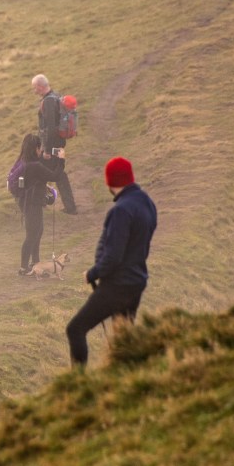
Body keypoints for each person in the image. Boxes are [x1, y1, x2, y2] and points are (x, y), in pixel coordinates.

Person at [66, 157, 157, 368]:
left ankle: (77, 384)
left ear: (110, 182)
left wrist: (92, 273)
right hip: (136, 281)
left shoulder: (121, 211)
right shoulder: (146, 202)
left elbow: (114, 256)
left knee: (76, 329)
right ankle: (127, 380)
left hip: (117, 284)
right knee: (122, 337)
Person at [15, 133, 67, 275]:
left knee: (37, 232)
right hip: (32, 204)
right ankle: (24, 267)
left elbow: (39, 175)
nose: (41, 150)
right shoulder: (35, 166)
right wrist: (61, 160)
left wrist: (44, 158)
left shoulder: (26, 163)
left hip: (29, 203)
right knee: (32, 234)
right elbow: (55, 176)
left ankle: (34, 263)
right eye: (40, 148)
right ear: (35, 149)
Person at [32, 74, 77, 214]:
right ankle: (70, 207)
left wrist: (45, 149)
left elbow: (50, 128)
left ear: (40, 86)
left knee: (39, 172)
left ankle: (39, 206)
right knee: (59, 174)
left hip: (52, 146)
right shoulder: (56, 96)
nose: (34, 91)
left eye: (34, 88)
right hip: (60, 144)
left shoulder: (48, 102)